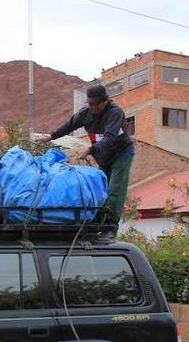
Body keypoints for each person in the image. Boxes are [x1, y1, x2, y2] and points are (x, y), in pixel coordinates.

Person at [50, 84, 134, 233]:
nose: (93, 107)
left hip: (121, 154)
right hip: (103, 158)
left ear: (105, 101)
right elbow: (69, 125)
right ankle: (98, 221)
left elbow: (109, 139)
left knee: (115, 190)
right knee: (101, 190)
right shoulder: (86, 113)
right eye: (90, 104)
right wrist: (52, 136)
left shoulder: (115, 113)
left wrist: (89, 150)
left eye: (96, 104)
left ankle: (110, 227)